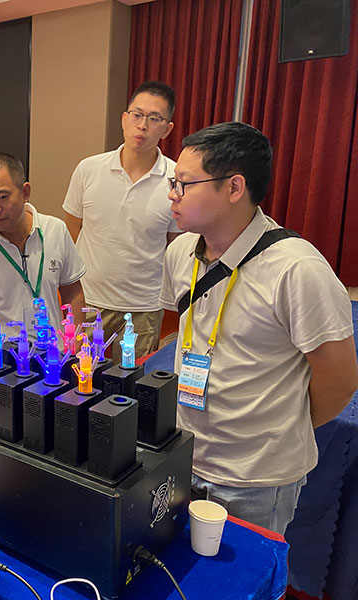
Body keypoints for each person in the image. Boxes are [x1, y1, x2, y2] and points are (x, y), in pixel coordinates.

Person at [159, 121, 358, 534]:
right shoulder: (180, 251)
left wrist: (278, 429)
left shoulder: (297, 268)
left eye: (184, 184)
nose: (172, 194)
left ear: (234, 188)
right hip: (184, 453)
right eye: (173, 182)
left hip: (255, 478)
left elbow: (339, 379)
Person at [63, 80, 180, 362]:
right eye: (137, 115)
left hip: (143, 306)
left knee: (133, 382)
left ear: (167, 129)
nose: (143, 125)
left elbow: (174, 245)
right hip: (89, 300)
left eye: (154, 118)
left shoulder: (176, 178)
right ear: (124, 119)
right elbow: (73, 229)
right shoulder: (89, 169)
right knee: (80, 375)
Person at [0, 153, 86, 347]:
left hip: (54, 358)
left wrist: (75, 348)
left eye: (2, 197)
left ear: (25, 192)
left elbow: (72, 291)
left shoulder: (55, 230)